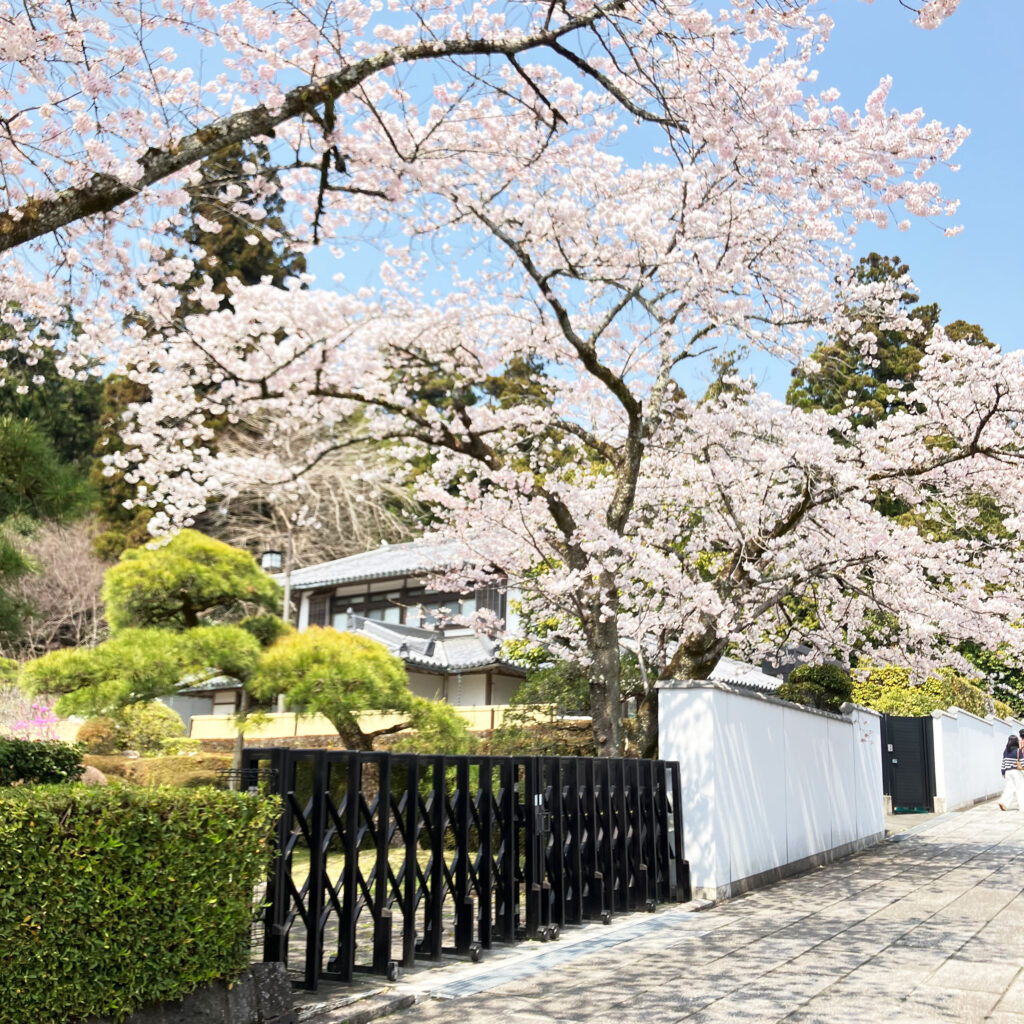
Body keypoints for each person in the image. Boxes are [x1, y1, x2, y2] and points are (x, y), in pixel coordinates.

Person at [998, 734, 1024, 811]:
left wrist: (1003, 772)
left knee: (1009, 788)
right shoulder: (1018, 751)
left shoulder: (1005, 751)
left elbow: (1003, 762)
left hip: (1007, 772)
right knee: (1020, 789)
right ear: (1016, 742)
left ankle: (1003, 802)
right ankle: (1022, 807)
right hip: (1016, 772)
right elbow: (1022, 762)